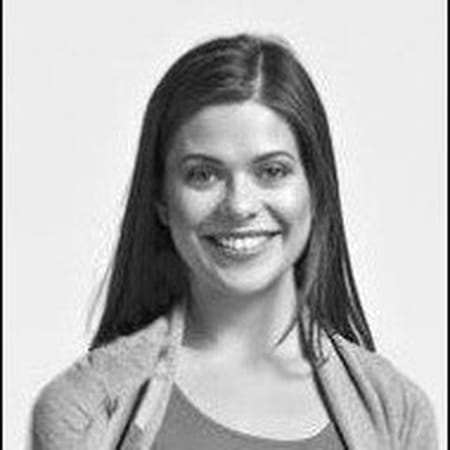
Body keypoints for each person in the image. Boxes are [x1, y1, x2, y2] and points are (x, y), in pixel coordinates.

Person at [31, 33, 438, 450]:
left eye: (272, 171)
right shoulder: (83, 410)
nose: (240, 205)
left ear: (316, 190)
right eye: (203, 174)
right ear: (161, 200)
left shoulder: (397, 411)